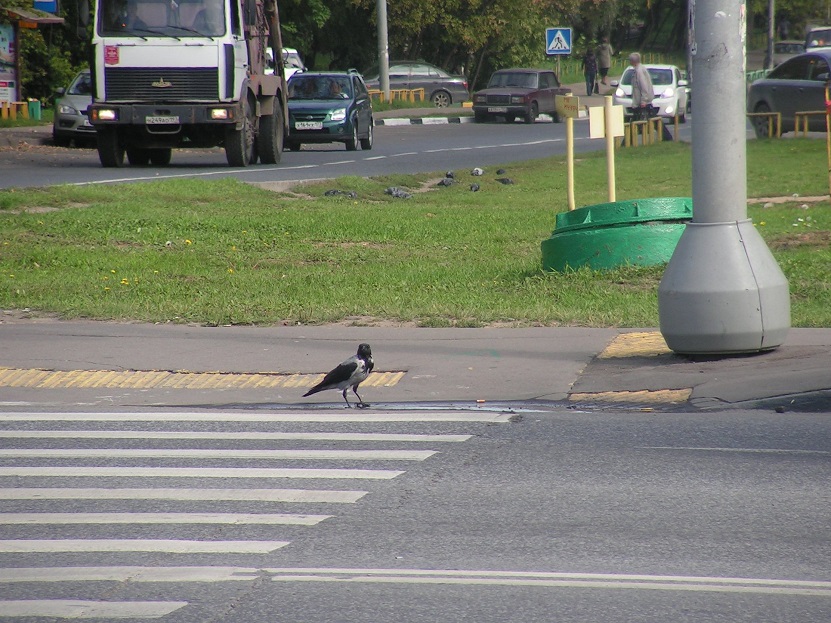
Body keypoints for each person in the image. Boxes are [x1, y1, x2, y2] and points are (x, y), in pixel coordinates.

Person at [629, 52, 654, 121]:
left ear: (633, 61)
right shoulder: (640, 69)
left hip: (641, 103)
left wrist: (643, 101)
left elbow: (644, 86)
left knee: (641, 122)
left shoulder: (639, 71)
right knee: (651, 121)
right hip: (641, 102)